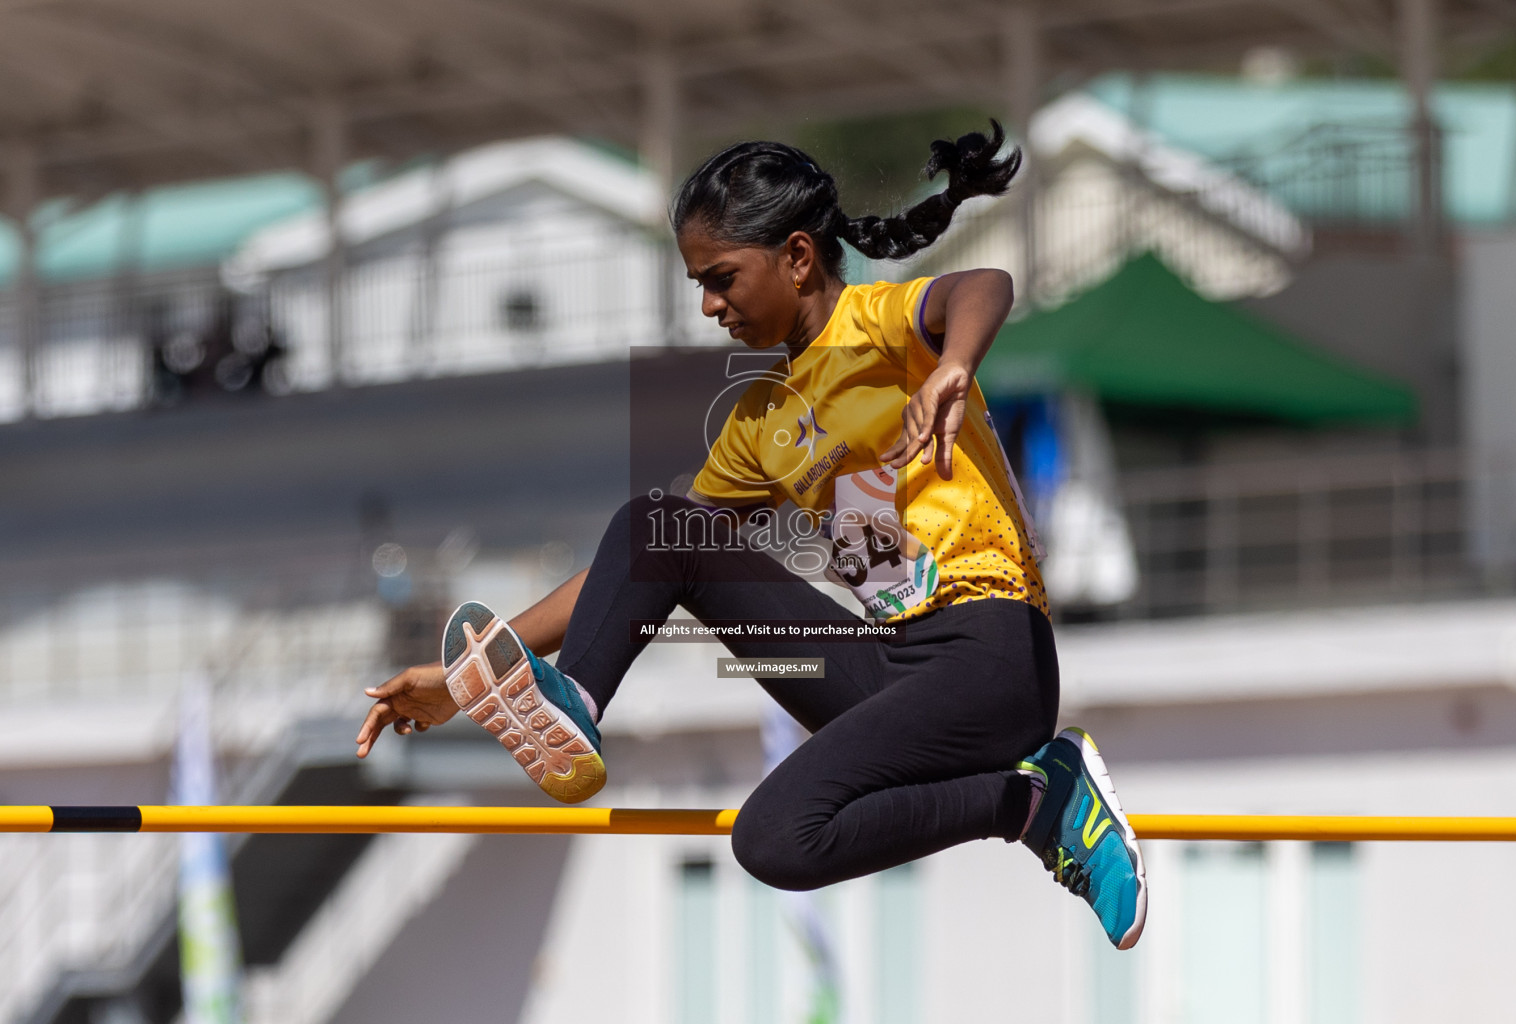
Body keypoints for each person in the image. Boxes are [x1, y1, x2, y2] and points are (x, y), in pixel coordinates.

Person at [354, 122, 1148, 949]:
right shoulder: (760, 420)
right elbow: (627, 574)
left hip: (990, 659)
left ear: (799, 257)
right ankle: (577, 704)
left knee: (773, 838)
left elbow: (985, 282)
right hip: (893, 665)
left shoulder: (880, 324)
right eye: (699, 284)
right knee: (657, 526)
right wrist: (469, 675)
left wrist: (953, 366)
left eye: (722, 279)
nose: (708, 306)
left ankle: (1032, 804)